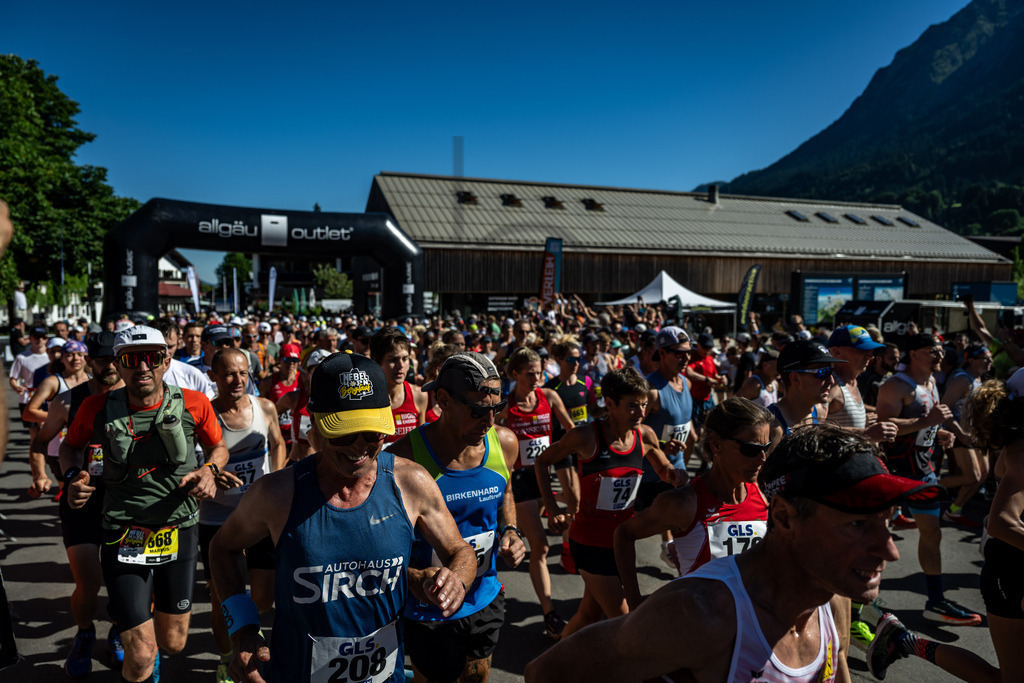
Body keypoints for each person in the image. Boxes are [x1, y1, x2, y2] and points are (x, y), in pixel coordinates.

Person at [526, 423, 944, 682]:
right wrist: (635, 605)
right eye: (857, 525)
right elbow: (546, 674)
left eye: (886, 522)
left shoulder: (832, 597)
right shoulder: (698, 613)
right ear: (783, 519)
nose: (889, 551)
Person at [208, 351, 477, 683]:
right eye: (344, 434)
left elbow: (461, 551)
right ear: (316, 424)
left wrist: (457, 579)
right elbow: (222, 548)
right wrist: (245, 633)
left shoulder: (411, 482)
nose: (359, 448)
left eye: (373, 433)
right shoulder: (276, 493)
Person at [62, 325, 230, 683]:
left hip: (179, 528)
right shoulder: (96, 407)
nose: (142, 368)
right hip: (123, 531)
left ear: (165, 360)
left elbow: (219, 447)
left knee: (173, 642)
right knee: (139, 656)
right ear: (118, 366)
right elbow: (68, 446)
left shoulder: (194, 403)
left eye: (151, 358)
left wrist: (210, 471)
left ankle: (144, 635)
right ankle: (135, 642)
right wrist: (71, 477)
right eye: (131, 360)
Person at [390, 352, 527, 682]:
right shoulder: (404, 459)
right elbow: (378, 545)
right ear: (443, 399)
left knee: (477, 677)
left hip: (484, 594)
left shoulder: (504, 443)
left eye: (495, 409)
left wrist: (511, 529)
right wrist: (413, 577)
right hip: (428, 607)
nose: (489, 421)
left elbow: (505, 492)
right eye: (478, 411)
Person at [534, 367, 678, 641]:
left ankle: (554, 662)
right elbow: (542, 462)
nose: (641, 412)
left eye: (644, 404)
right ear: (609, 404)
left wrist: (675, 474)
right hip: (589, 543)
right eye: (632, 406)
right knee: (626, 621)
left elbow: (664, 471)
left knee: (589, 614)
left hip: (621, 543)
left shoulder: (644, 435)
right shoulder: (586, 436)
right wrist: (553, 509)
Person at [615, 398, 771, 609]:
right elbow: (624, 535)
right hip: (701, 631)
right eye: (751, 449)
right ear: (716, 444)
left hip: (750, 627)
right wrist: (635, 605)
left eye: (766, 447)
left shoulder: (763, 495)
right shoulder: (683, 503)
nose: (762, 458)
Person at [31, 332, 125, 676]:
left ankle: (118, 630)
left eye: (116, 359)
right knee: (89, 582)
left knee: (125, 580)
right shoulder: (68, 402)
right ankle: (85, 633)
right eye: (102, 361)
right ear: (89, 362)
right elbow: (40, 444)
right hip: (80, 498)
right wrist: (43, 475)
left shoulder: (137, 399)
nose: (110, 367)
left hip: (127, 502)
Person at [876, 333, 982, 626]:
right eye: (931, 351)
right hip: (895, 470)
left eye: (939, 351)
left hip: (924, 466)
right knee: (878, 538)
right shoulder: (896, 386)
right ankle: (865, 605)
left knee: (933, 533)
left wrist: (941, 433)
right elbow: (884, 426)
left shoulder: (932, 383)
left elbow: (930, 421)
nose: (938, 355)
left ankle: (935, 600)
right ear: (913, 354)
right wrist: (927, 423)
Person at [200, 347, 287, 682]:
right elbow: (192, 463)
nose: (237, 380)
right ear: (213, 377)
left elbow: (278, 443)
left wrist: (275, 480)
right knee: (223, 600)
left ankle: (247, 624)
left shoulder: (264, 407)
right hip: (217, 518)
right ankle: (227, 657)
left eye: (242, 373)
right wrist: (211, 471)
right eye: (228, 374)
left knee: (263, 596)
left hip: (260, 515)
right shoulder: (205, 414)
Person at [497, 347, 575, 638]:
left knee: (574, 507)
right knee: (540, 547)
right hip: (521, 481)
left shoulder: (549, 397)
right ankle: (550, 612)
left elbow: (570, 429)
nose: (537, 378)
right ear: (515, 374)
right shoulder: (506, 404)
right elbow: (490, 434)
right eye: (530, 374)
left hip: (546, 476)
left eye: (540, 372)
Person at [24, 339, 90, 495]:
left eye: (80, 354)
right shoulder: (53, 382)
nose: (76, 359)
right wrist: (62, 417)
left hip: (88, 447)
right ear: (62, 358)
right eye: (70, 355)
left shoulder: (94, 380)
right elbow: (28, 412)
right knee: (69, 491)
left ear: (87, 357)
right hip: (58, 448)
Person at [939, 342, 992, 527]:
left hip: (976, 436)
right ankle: (929, 486)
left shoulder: (979, 380)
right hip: (960, 435)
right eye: (985, 358)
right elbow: (943, 408)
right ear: (971, 359)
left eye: (990, 357)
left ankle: (953, 510)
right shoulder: (962, 379)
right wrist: (959, 432)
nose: (990, 361)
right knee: (972, 476)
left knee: (982, 475)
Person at [825, 325, 898, 444]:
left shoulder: (852, 382)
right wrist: (864, 433)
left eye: (870, 350)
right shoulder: (830, 385)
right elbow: (812, 427)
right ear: (836, 352)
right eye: (861, 350)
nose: (870, 356)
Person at [768, 340, 845, 443]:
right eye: (823, 372)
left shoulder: (819, 413)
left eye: (831, 371)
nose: (831, 380)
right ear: (795, 378)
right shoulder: (770, 426)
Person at [369, 327, 428, 444]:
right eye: (393, 360)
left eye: (405, 359)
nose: (400, 365)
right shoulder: (366, 397)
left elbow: (421, 444)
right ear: (376, 360)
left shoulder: (419, 395)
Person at [9, 325, 50, 439]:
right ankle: (36, 456)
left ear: (47, 339)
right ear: (30, 338)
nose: (40, 340)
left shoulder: (51, 356)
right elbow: (13, 378)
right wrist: (16, 387)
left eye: (43, 337)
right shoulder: (22, 357)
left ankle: (48, 456)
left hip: (48, 399)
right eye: (36, 337)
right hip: (28, 398)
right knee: (34, 435)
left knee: (47, 432)